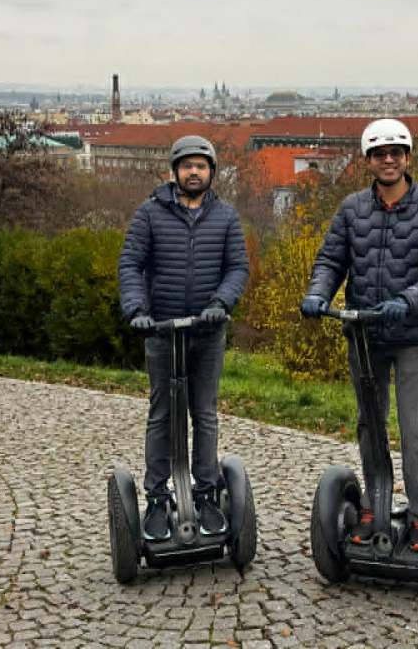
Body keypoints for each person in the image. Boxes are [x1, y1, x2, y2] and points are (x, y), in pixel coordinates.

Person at [300, 118, 418, 553]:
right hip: (365, 332)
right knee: (370, 425)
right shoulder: (352, 209)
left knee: (415, 429)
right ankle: (375, 502)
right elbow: (330, 260)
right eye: (379, 153)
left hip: (415, 334)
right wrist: (318, 294)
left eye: (395, 152)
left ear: (407, 158)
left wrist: (408, 300)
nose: (388, 159)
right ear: (368, 161)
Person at [119, 134, 249, 542]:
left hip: (207, 331)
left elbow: (237, 268)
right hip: (160, 329)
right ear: (175, 171)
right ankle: (157, 496)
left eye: (202, 165)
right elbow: (131, 264)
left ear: (212, 172)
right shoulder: (149, 214)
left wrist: (221, 302)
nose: (195, 171)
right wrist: (137, 310)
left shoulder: (225, 216)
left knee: (204, 413)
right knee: (162, 414)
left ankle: (206, 492)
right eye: (187, 165)